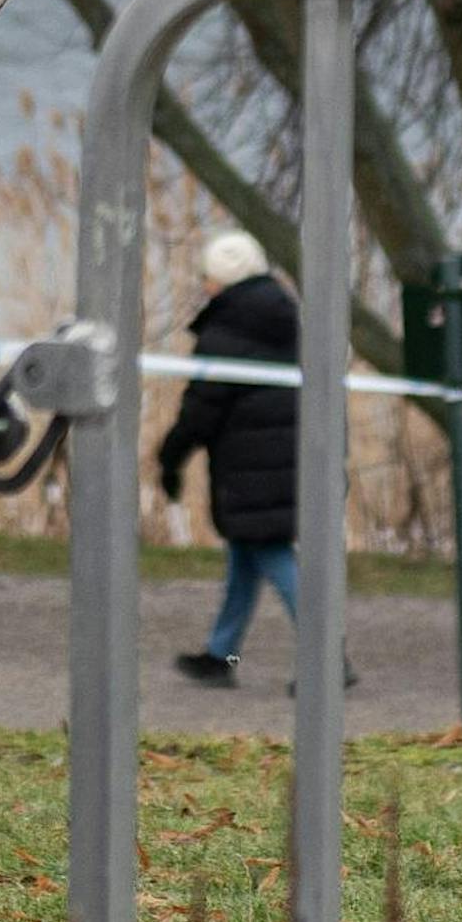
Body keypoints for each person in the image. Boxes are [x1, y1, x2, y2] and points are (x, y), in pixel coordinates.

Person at [158, 231, 357, 692]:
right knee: (245, 560)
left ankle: (328, 656)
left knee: (270, 554)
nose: (204, 286)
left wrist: (170, 457)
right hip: (290, 458)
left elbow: (200, 408)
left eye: (208, 278)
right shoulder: (289, 319)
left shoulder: (225, 331)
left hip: (250, 466)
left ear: (222, 281)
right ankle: (220, 654)